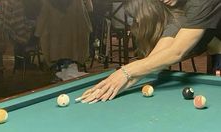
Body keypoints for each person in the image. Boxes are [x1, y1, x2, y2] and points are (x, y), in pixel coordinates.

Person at [76, 0, 221, 104]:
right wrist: (116, 84)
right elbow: (155, 59)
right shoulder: (181, 10)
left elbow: (177, 52)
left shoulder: (201, 2)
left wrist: (125, 71)